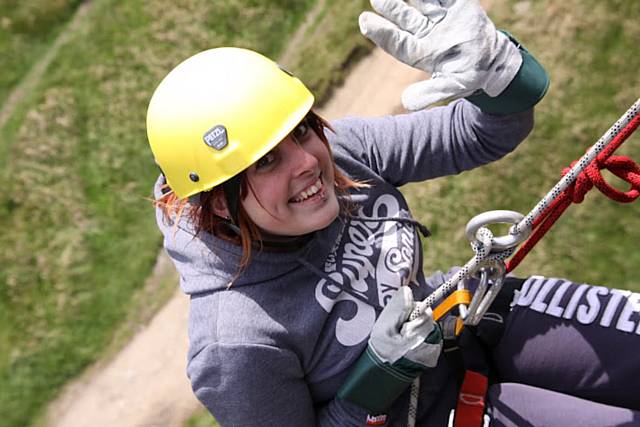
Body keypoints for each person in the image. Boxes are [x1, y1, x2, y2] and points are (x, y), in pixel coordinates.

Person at [146, 0, 640, 425]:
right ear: (216, 200)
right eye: (267, 161)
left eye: (300, 131)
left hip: (465, 317)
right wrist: (375, 381)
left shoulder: (340, 153)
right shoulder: (234, 345)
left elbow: (481, 133)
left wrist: (497, 72)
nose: (308, 163)